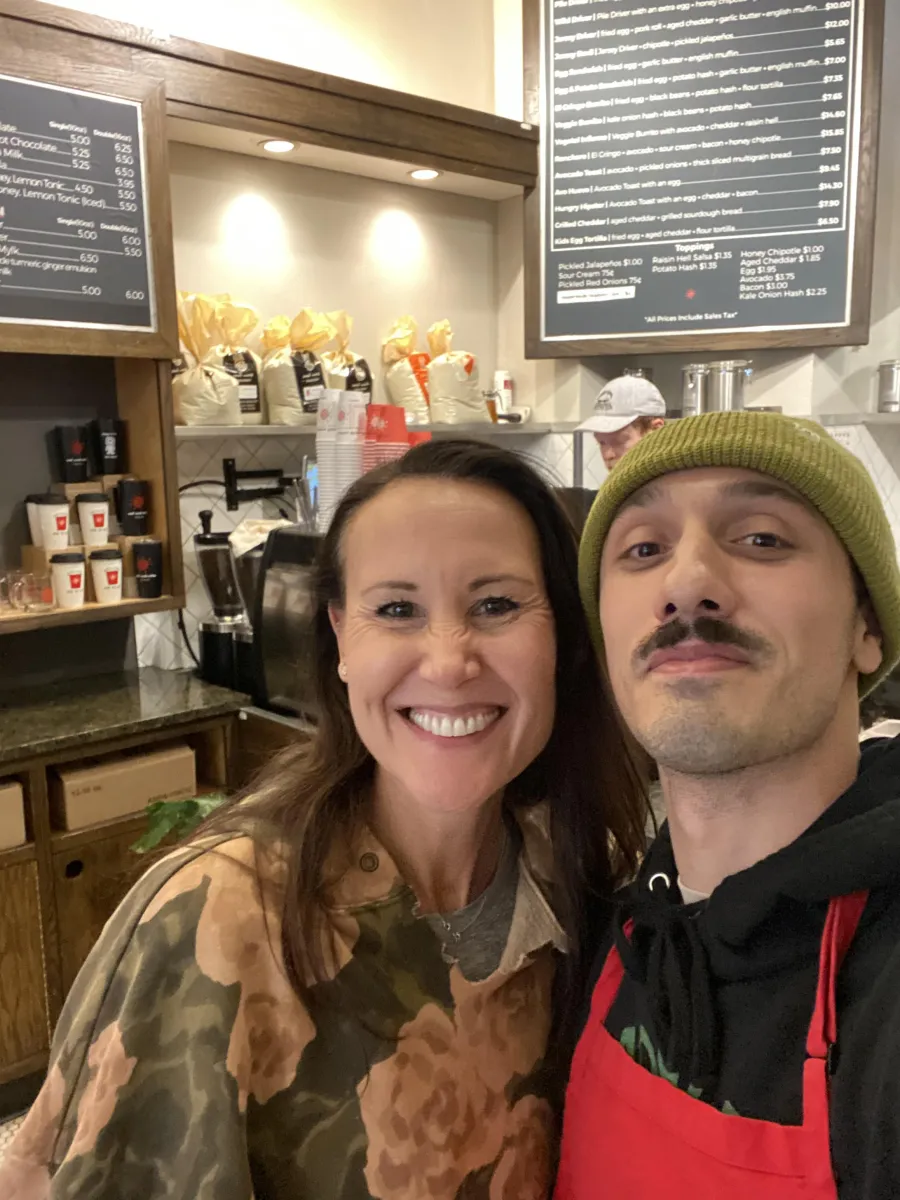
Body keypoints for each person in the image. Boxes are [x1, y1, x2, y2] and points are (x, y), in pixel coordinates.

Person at [2, 439, 647, 1200]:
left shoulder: (578, 887)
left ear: (563, 640)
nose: (447, 662)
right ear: (341, 637)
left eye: (496, 605)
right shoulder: (220, 921)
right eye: (397, 609)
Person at [556, 411, 900, 1199]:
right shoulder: (616, 921)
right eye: (643, 551)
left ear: (868, 628)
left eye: (762, 539)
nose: (686, 585)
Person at [576, 374, 666, 472]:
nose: (607, 455)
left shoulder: (677, 484)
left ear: (656, 431)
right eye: (602, 443)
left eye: (619, 442)